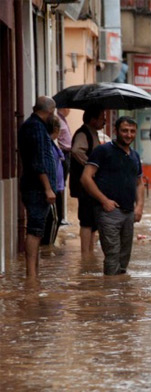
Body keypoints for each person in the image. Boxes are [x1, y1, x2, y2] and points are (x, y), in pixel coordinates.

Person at [80, 116, 144, 275]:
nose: (128, 135)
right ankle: (110, 293)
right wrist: (104, 201)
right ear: (116, 131)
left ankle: (120, 294)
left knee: (124, 258)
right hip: (108, 212)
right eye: (124, 131)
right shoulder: (103, 151)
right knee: (112, 254)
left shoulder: (134, 156)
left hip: (129, 212)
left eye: (132, 131)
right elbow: (86, 177)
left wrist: (140, 206)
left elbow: (139, 183)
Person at [17, 96, 57, 277]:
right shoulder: (36, 128)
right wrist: (48, 188)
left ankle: (34, 272)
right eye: (53, 111)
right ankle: (31, 275)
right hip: (37, 188)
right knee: (35, 229)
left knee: (38, 229)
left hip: (34, 187)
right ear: (49, 111)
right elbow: (38, 161)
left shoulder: (33, 126)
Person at [70, 105, 105, 254]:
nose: (104, 121)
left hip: (91, 185)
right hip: (84, 185)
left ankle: (90, 253)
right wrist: (90, 165)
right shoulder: (83, 134)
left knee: (92, 220)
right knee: (86, 220)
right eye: (102, 118)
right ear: (93, 119)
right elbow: (76, 150)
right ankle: (85, 254)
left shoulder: (93, 133)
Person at [41, 116, 66, 245]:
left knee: (55, 219)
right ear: (56, 129)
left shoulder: (51, 145)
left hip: (56, 187)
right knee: (53, 220)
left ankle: (48, 248)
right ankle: (47, 249)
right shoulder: (48, 146)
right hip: (53, 188)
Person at [56, 108, 72, 225]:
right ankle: (59, 217)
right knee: (60, 185)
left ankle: (61, 216)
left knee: (63, 184)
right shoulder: (58, 120)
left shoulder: (63, 120)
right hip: (63, 154)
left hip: (67, 154)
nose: (69, 111)